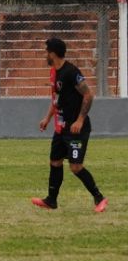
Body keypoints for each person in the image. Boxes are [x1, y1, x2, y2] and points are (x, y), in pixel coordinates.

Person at [32, 38, 109, 213]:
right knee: (55, 162)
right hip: (61, 128)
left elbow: (88, 95)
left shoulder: (71, 72)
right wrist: (47, 118)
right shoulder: (54, 72)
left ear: (52, 53)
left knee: (76, 167)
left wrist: (80, 120)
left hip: (76, 129)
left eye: (46, 52)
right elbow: (56, 100)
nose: (45, 55)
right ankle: (51, 200)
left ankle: (99, 197)